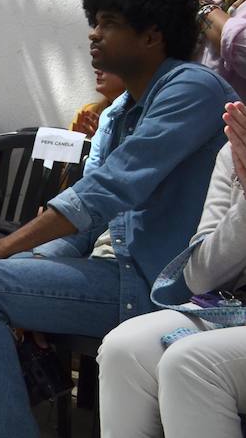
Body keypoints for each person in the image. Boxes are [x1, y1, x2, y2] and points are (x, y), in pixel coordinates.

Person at [0, 0, 236, 438]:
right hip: (115, 271)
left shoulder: (192, 89)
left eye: (108, 23)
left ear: (151, 36)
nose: (93, 33)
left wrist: (6, 248)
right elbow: (89, 224)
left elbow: (108, 189)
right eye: (94, 21)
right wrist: (29, 262)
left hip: (160, 286)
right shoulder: (130, 108)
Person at [98, 100, 246, 437]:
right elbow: (201, 276)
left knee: (190, 362)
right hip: (231, 310)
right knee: (124, 349)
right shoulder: (233, 151)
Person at [71, 66, 127, 137]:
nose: (97, 71)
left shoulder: (141, 116)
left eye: (108, 64)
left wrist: (100, 141)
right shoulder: (89, 111)